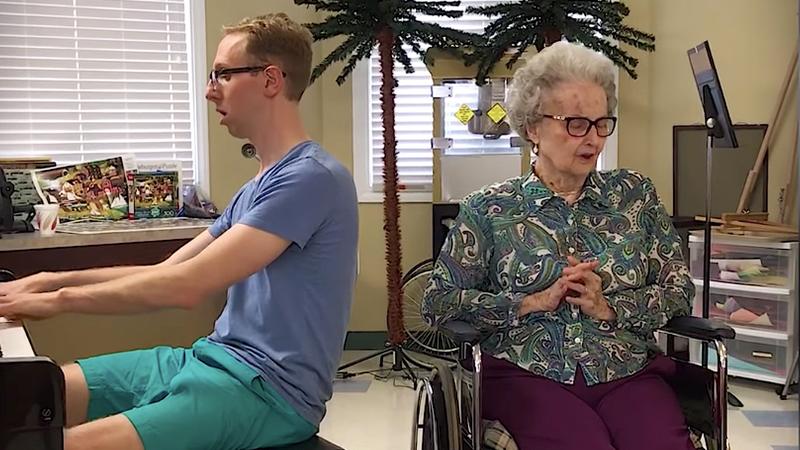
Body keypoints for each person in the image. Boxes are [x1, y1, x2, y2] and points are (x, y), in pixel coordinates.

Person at [0, 13, 358, 450]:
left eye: (223, 74)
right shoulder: (256, 188)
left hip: (268, 393)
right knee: (31, 393)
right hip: (210, 358)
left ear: (270, 80)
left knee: (58, 445)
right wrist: (49, 281)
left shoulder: (312, 178)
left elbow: (187, 286)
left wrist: (58, 301)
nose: (210, 90)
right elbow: (166, 271)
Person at [422, 41, 696, 450]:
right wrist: (528, 303)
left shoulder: (635, 197)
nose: (593, 139)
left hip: (627, 370)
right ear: (533, 127)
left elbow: (679, 291)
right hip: (524, 371)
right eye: (576, 124)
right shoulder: (490, 209)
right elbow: (438, 303)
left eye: (602, 123)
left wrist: (609, 307)